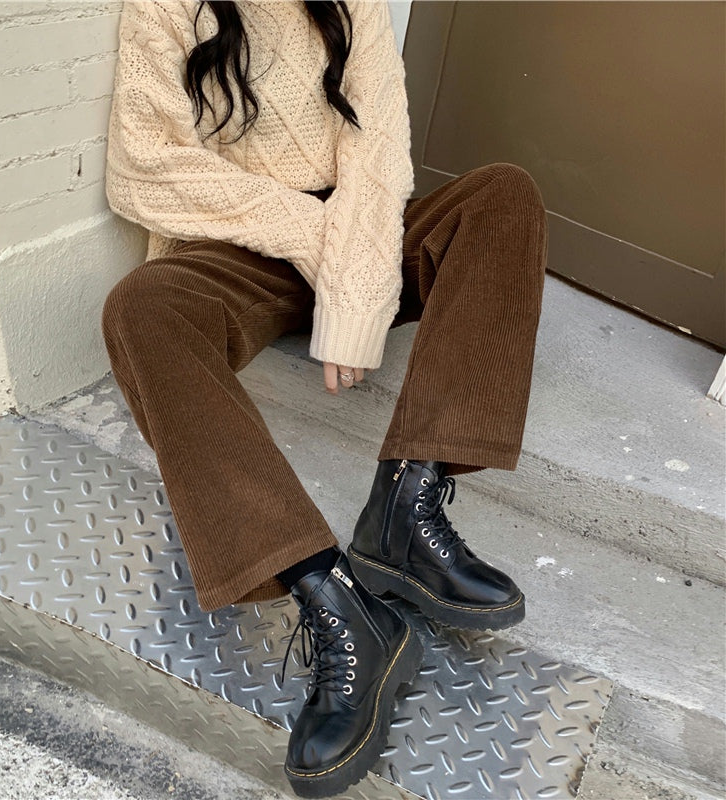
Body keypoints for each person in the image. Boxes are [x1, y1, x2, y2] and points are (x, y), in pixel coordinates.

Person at [101, 1, 547, 795]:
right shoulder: (166, 6)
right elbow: (144, 166)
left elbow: (378, 153)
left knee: (502, 195)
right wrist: (319, 244)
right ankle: (336, 601)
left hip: (360, 231)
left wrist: (357, 281)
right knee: (139, 308)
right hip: (236, 248)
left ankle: (405, 511)